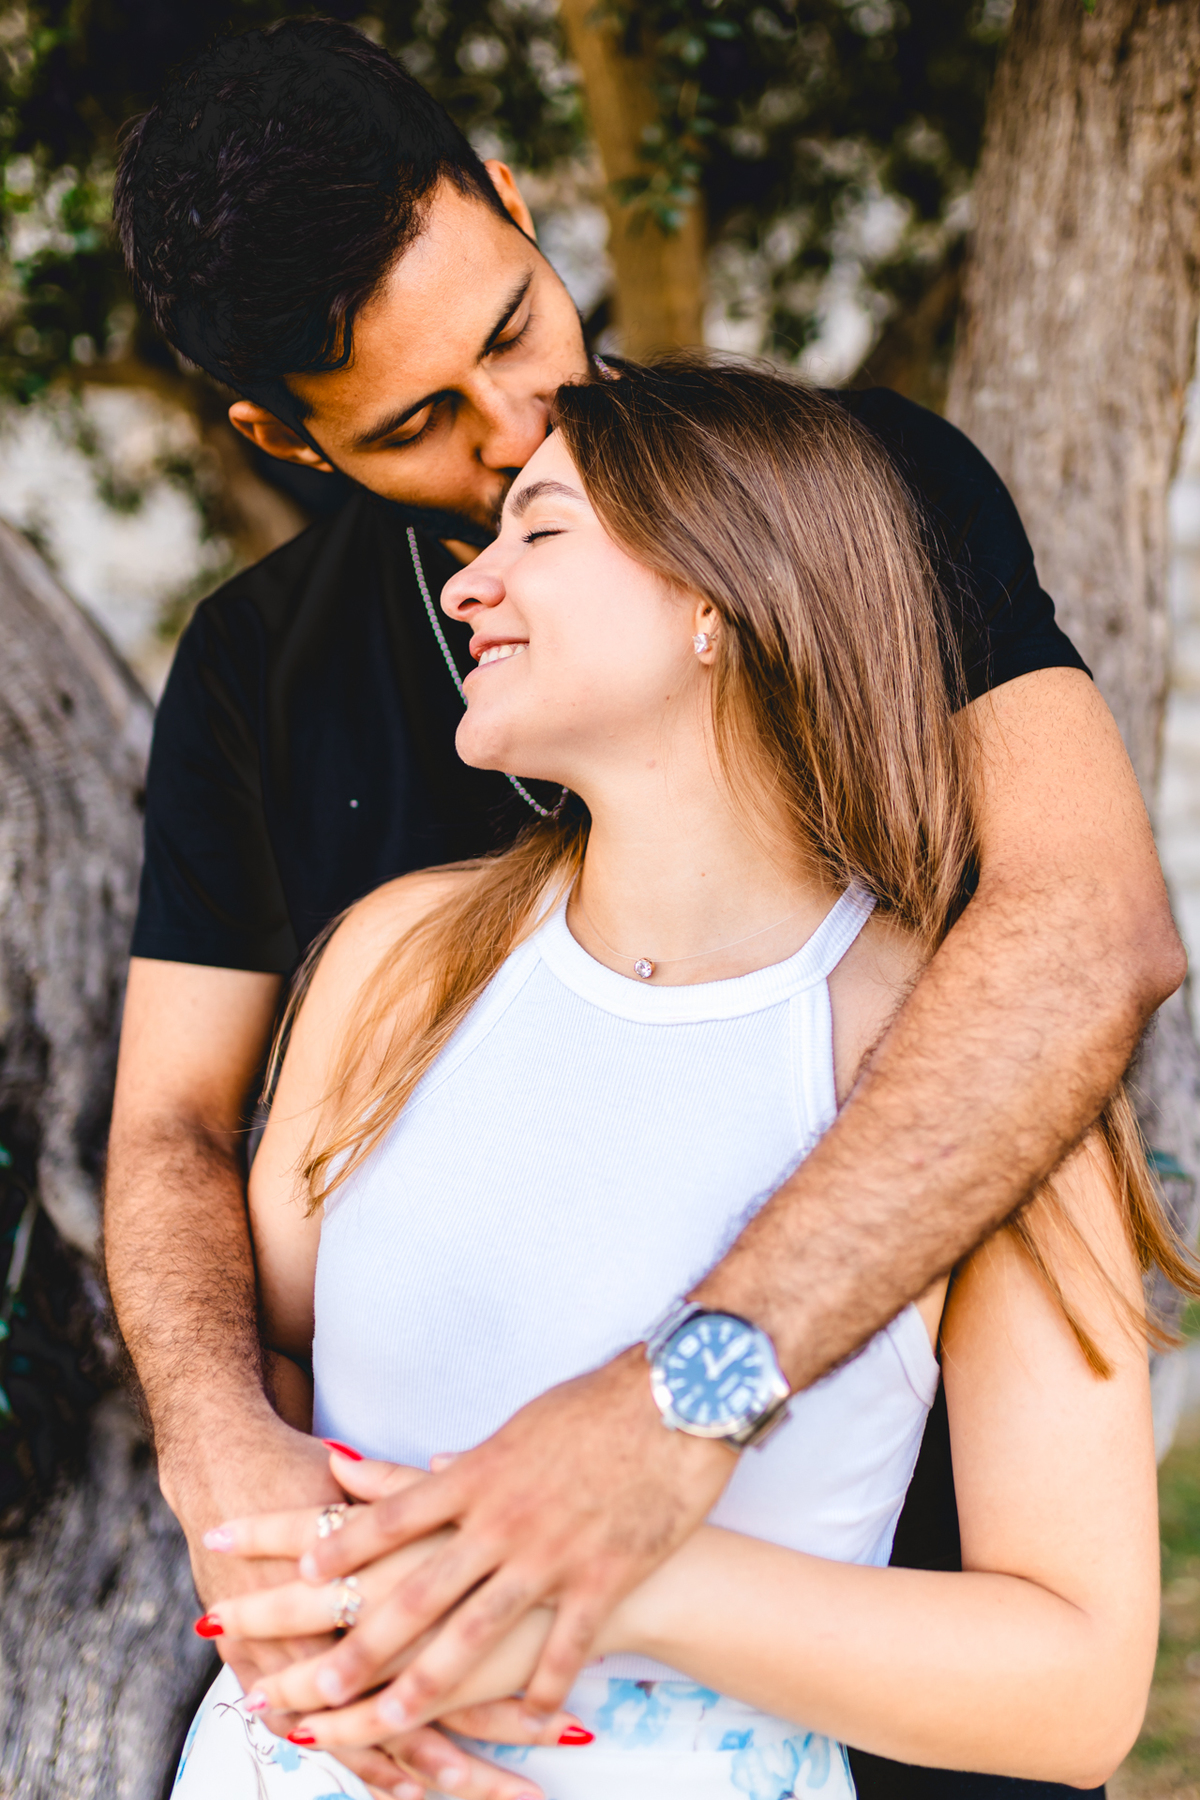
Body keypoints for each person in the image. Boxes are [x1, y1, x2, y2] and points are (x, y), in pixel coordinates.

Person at [104, 18, 1182, 1799]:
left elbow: (1085, 931)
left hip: (870, 1632)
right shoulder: (283, 725)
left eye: (514, 329)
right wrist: (224, 1455)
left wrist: (671, 1416)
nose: (526, 420)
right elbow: (176, 1131)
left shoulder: (863, 498)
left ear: (516, 204)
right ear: (277, 439)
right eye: (425, 429)